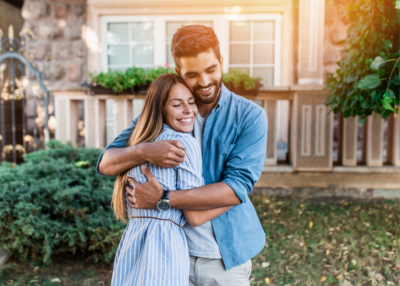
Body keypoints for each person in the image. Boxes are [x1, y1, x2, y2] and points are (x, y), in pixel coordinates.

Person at [98, 25, 268, 286]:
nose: (203, 81)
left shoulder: (249, 116)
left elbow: (237, 188)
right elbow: (106, 163)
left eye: (211, 69)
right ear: (178, 72)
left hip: (225, 256)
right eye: (192, 74)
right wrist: (145, 150)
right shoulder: (163, 112)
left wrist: (163, 199)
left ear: (221, 61)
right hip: (170, 252)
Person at [111, 74, 231, 286]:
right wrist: (234, 197)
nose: (188, 110)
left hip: (132, 241)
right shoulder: (183, 143)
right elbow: (193, 215)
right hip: (165, 246)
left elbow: (105, 163)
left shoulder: (135, 144)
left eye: (191, 102)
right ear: (161, 109)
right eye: (177, 104)